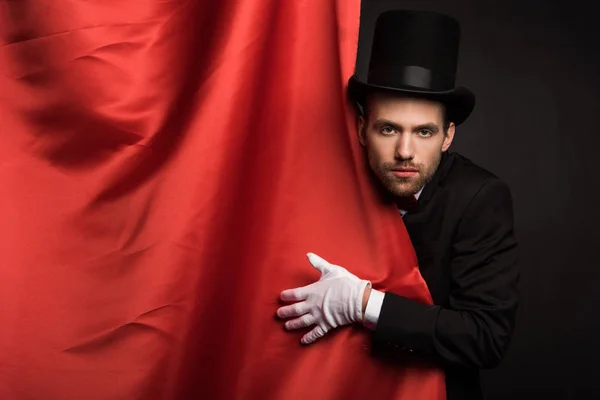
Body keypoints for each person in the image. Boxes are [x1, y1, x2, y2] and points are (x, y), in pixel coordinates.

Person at [276, 9, 520, 400]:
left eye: (424, 132)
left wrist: (363, 304)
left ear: (447, 136)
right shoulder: (323, 185)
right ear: (361, 129)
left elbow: (485, 337)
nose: (405, 152)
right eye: (388, 129)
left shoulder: (480, 199)